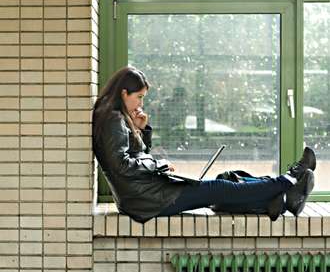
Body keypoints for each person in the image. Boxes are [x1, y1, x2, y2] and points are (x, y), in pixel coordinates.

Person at [92, 66, 316, 224]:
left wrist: (141, 129)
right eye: (139, 97)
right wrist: (158, 166)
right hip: (146, 200)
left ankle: (284, 200)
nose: (141, 103)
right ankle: (288, 179)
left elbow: (135, 156)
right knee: (218, 189)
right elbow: (121, 165)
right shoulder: (113, 119)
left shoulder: (117, 116)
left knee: (226, 180)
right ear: (124, 93)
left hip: (146, 194)